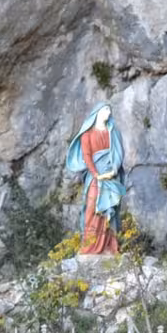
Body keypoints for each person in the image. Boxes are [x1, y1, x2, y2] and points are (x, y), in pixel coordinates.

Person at [65, 103, 127, 256]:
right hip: (95, 177)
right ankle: (90, 247)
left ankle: (109, 246)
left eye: (110, 110)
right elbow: (86, 156)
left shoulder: (112, 132)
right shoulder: (87, 134)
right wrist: (96, 174)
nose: (108, 112)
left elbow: (119, 152)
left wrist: (113, 170)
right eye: (105, 109)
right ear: (97, 113)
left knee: (109, 211)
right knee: (92, 207)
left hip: (111, 176)